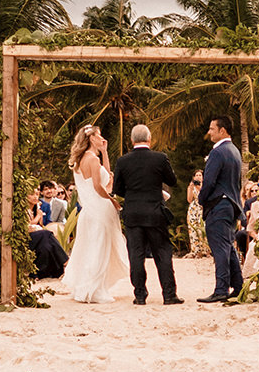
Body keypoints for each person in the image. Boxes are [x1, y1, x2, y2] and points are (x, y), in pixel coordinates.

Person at [112, 124, 181, 306]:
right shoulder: (159, 158)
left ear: (132, 140)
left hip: (133, 212)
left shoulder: (123, 161)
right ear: (149, 139)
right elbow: (172, 181)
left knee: (136, 254)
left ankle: (140, 295)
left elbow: (117, 189)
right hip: (155, 212)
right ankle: (169, 294)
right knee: (162, 252)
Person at [64, 124, 130, 303]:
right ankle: (94, 289)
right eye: (99, 135)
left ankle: (91, 286)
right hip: (98, 208)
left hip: (89, 211)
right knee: (98, 248)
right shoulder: (91, 159)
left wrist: (105, 152)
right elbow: (98, 186)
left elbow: (106, 175)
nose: (102, 138)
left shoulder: (84, 159)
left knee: (91, 247)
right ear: (91, 138)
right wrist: (112, 200)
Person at [198, 116, 244, 303]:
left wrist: (201, 198)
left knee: (220, 249)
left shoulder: (218, 153)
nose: (209, 132)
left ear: (222, 130)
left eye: (212, 129)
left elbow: (209, 181)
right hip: (232, 204)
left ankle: (221, 289)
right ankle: (239, 286)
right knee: (228, 247)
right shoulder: (234, 151)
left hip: (219, 204)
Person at [27, 190, 68, 279]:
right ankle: (66, 261)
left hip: (37, 239)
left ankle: (38, 274)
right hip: (26, 239)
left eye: (37, 194)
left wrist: (39, 215)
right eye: (32, 194)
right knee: (46, 234)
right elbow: (27, 227)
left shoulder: (37, 210)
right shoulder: (23, 210)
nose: (35, 197)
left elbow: (40, 225)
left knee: (46, 246)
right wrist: (38, 216)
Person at [186, 175, 210, 258]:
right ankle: (196, 251)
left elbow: (206, 196)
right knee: (194, 229)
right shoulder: (191, 186)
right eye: (197, 175)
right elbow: (189, 199)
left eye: (200, 175)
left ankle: (206, 250)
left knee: (203, 228)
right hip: (194, 209)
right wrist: (191, 188)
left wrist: (199, 187)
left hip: (202, 208)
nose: (198, 177)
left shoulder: (206, 185)